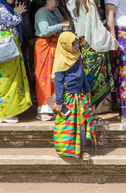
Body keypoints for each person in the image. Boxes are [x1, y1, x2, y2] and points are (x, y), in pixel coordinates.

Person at [74, 0, 115, 121]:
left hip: (85, 44)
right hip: (93, 44)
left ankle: (89, 110)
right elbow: (96, 26)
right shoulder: (89, 1)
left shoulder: (81, 0)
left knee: (89, 75)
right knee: (95, 76)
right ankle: (92, 110)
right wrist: (111, 40)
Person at [0, 0, 32, 123]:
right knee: (5, 80)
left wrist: (16, 12)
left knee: (11, 80)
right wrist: (18, 13)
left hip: (10, 45)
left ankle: (7, 112)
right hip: (5, 45)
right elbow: (11, 21)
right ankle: (3, 113)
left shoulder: (6, 7)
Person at [53, 31, 96, 161]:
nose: (76, 46)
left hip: (78, 97)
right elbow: (58, 82)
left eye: (76, 42)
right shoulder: (61, 61)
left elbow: (81, 73)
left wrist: (86, 88)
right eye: (73, 44)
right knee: (67, 124)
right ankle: (65, 149)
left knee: (81, 123)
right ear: (65, 45)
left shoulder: (77, 56)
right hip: (67, 99)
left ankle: (82, 150)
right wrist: (60, 101)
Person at [34, 0, 70, 121]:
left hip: (53, 47)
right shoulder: (41, 13)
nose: (57, 3)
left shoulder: (52, 12)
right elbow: (45, 31)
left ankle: (54, 107)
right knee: (44, 77)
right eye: (55, 0)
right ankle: (43, 109)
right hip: (44, 47)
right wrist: (61, 25)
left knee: (55, 78)